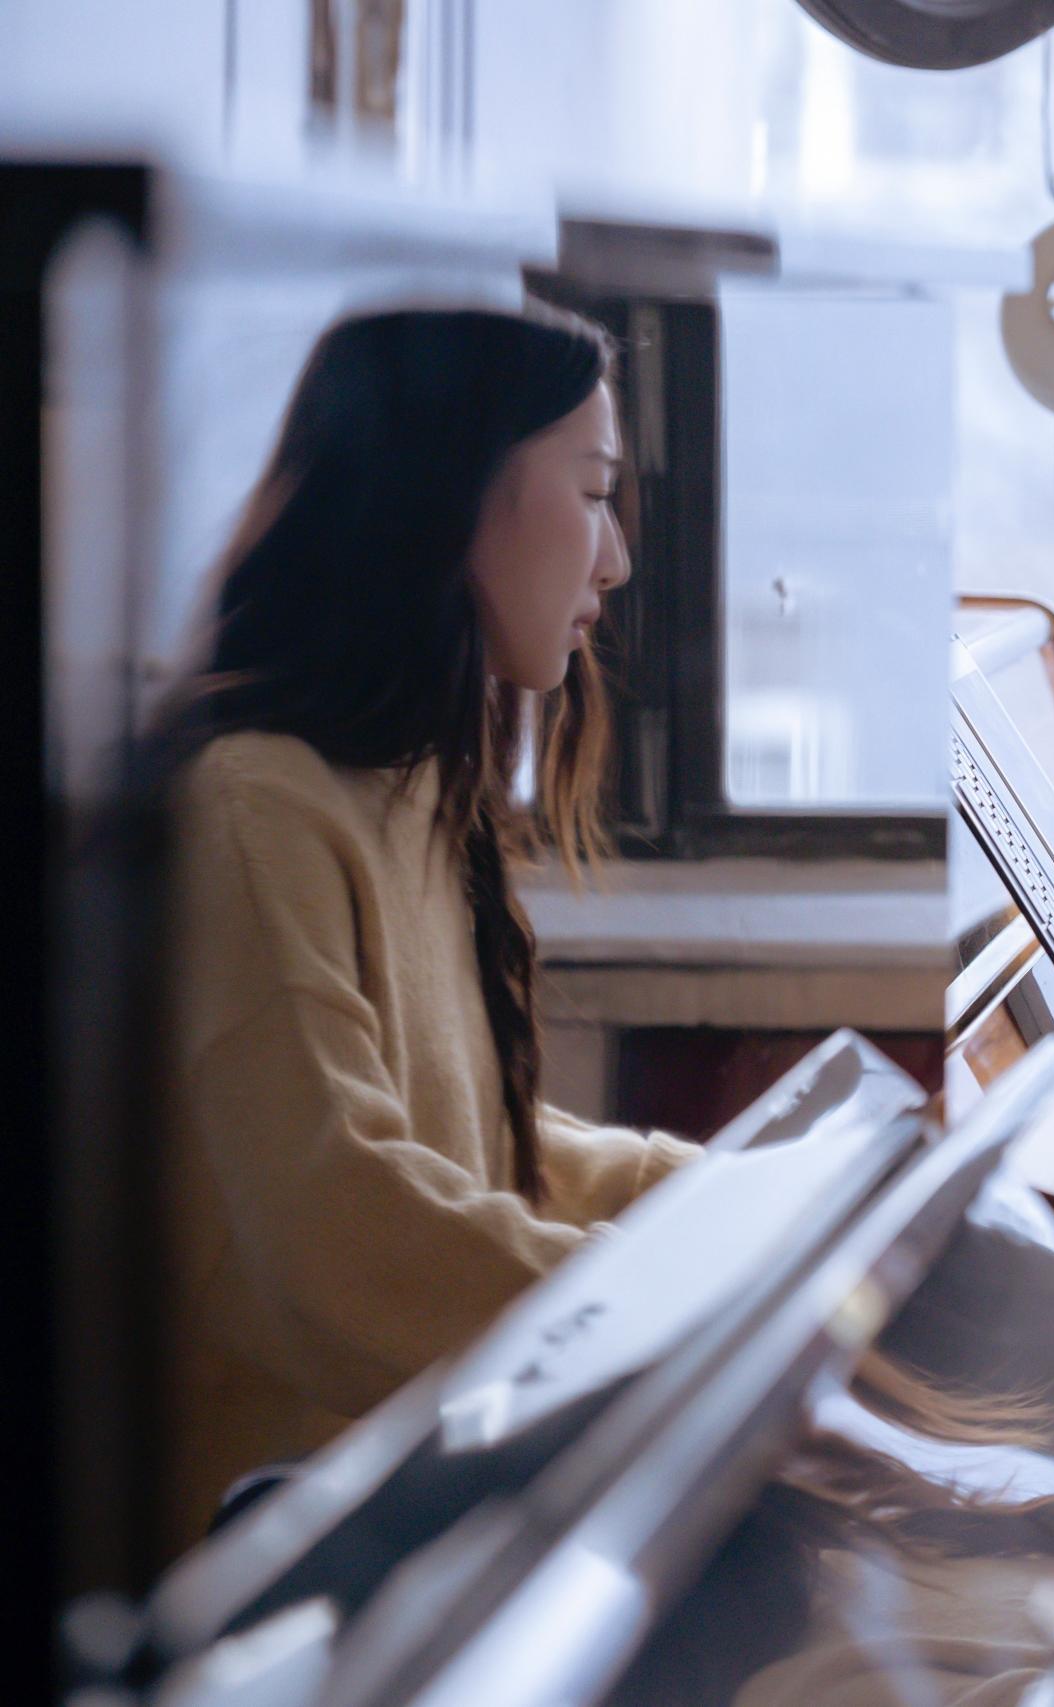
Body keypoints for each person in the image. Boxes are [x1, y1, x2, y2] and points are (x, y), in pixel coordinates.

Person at [151, 305, 696, 1559]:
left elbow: (477, 1154)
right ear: (452, 499)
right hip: (268, 1553)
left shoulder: (400, 785)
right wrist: (675, 1296)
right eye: (594, 493)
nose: (612, 561)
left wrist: (742, 1203)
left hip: (412, 1494)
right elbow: (354, 1229)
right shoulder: (250, 809)